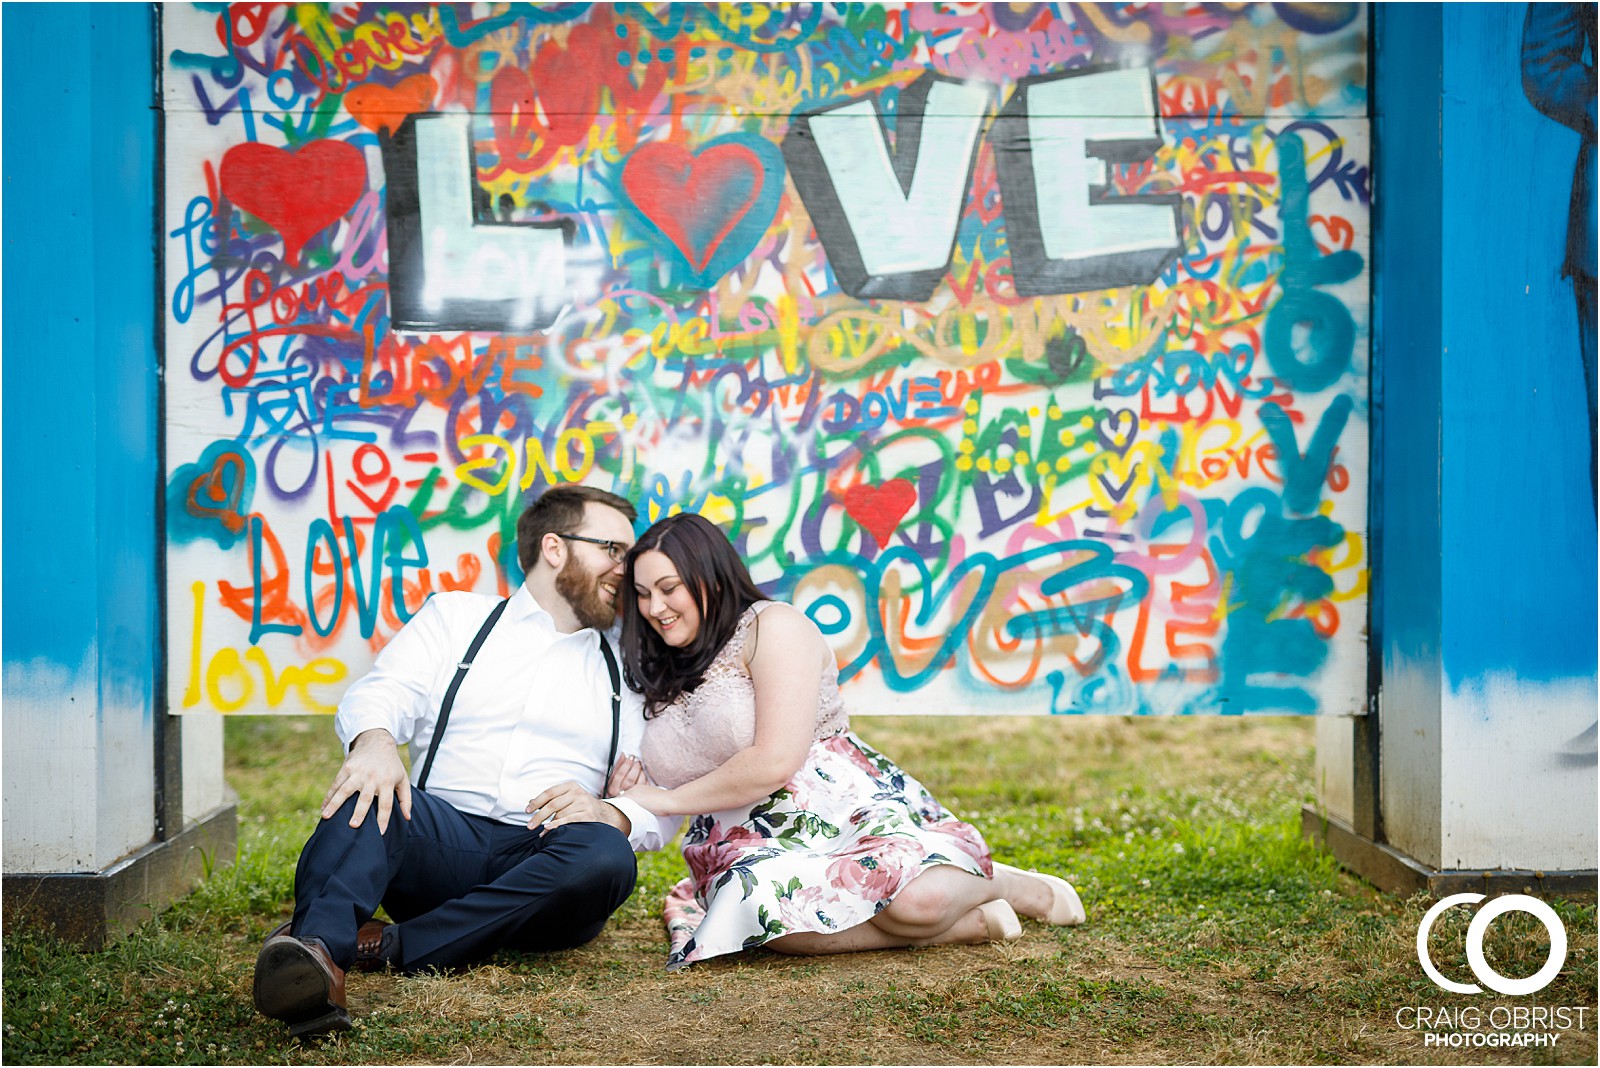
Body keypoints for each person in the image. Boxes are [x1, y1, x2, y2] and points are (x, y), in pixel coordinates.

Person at [252, 486, 671, 1038]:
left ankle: (390, 943)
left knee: (606, 853)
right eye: (613, 549)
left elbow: (660, 801)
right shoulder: (458, 617)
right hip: (438, 843)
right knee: (367, 791)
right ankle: (314, 958)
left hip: (547, 861)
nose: (626, 567)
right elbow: (385, 690)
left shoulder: (631, 664)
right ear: (554, 547)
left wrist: (612, 812)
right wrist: (376, 743)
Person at [612, 512, 1085, 970]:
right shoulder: (653, 663)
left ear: (711, 578)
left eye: (669, 589)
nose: (655, 608)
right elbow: (657, 766)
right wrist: (627, 787)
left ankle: (1001, 883)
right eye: (642, 594)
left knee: (917, 901)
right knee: (771, 918)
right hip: (743, 837)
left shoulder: (771, 626)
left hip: (836, 805)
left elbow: (776, 760)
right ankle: (971, 925)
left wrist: (668, 799)